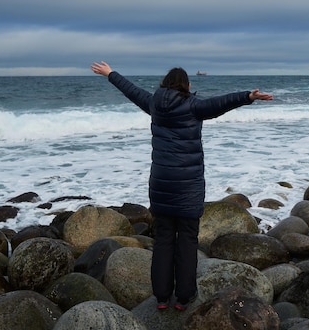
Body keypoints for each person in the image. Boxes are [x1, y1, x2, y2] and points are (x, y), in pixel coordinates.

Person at [91, 61, 273, 310]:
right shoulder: (193, 106)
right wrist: (248, 96)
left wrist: (110, 73)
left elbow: (131, 90)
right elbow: (221, 103)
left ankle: (162, 297)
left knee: (164, 240)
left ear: (165, 85)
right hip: (188, 187)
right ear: (187, 86)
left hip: (161, 185)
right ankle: (184, 297)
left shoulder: (154, 104)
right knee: (187, 241)